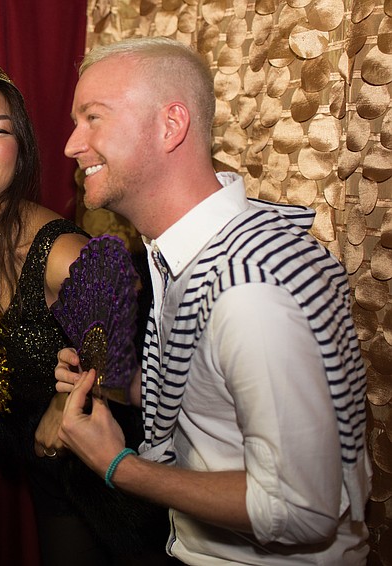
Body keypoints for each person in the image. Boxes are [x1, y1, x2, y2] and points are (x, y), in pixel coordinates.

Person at [55, 36, 372, 565]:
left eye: (93, 118)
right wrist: (126, 386)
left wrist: (118, 466)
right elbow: (218, 400)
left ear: (170, 125)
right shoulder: (200, 251)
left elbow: (300, 509)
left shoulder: (250, 290)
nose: (71, 144)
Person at [0, 41, 169, 564]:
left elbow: (121, 288)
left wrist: (69, 400)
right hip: (49, 477)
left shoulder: (53, 251)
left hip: (125, 483)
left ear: (20, 153)